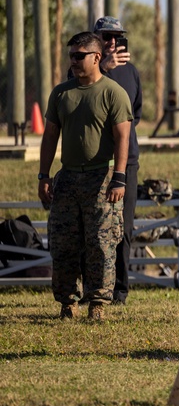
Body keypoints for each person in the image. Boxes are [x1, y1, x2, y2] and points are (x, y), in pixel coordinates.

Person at [38, 31, 132, 321]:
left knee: (101, 245)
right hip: (67, 178)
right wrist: (44, 175)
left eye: (79, 56)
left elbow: (122, 138)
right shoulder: (61, 93)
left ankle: (98, 304)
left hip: (101, 177)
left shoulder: (112, 92)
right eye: (71, 56)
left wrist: (119, 177)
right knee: (63, 242)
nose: (74, 61)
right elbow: (50, 136)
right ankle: (67, 302)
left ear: (96, 57)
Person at [91, 17, 143, 305]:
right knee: (94, 229)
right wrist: (103, 70)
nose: (113, 43)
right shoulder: (85, 72)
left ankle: (120, 291)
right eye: (106, 37)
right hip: (94, 161)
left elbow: (136, 111)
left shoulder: (131, 72)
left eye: (117, 38)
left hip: (128, 162)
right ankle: (95, 289)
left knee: (124, 227)